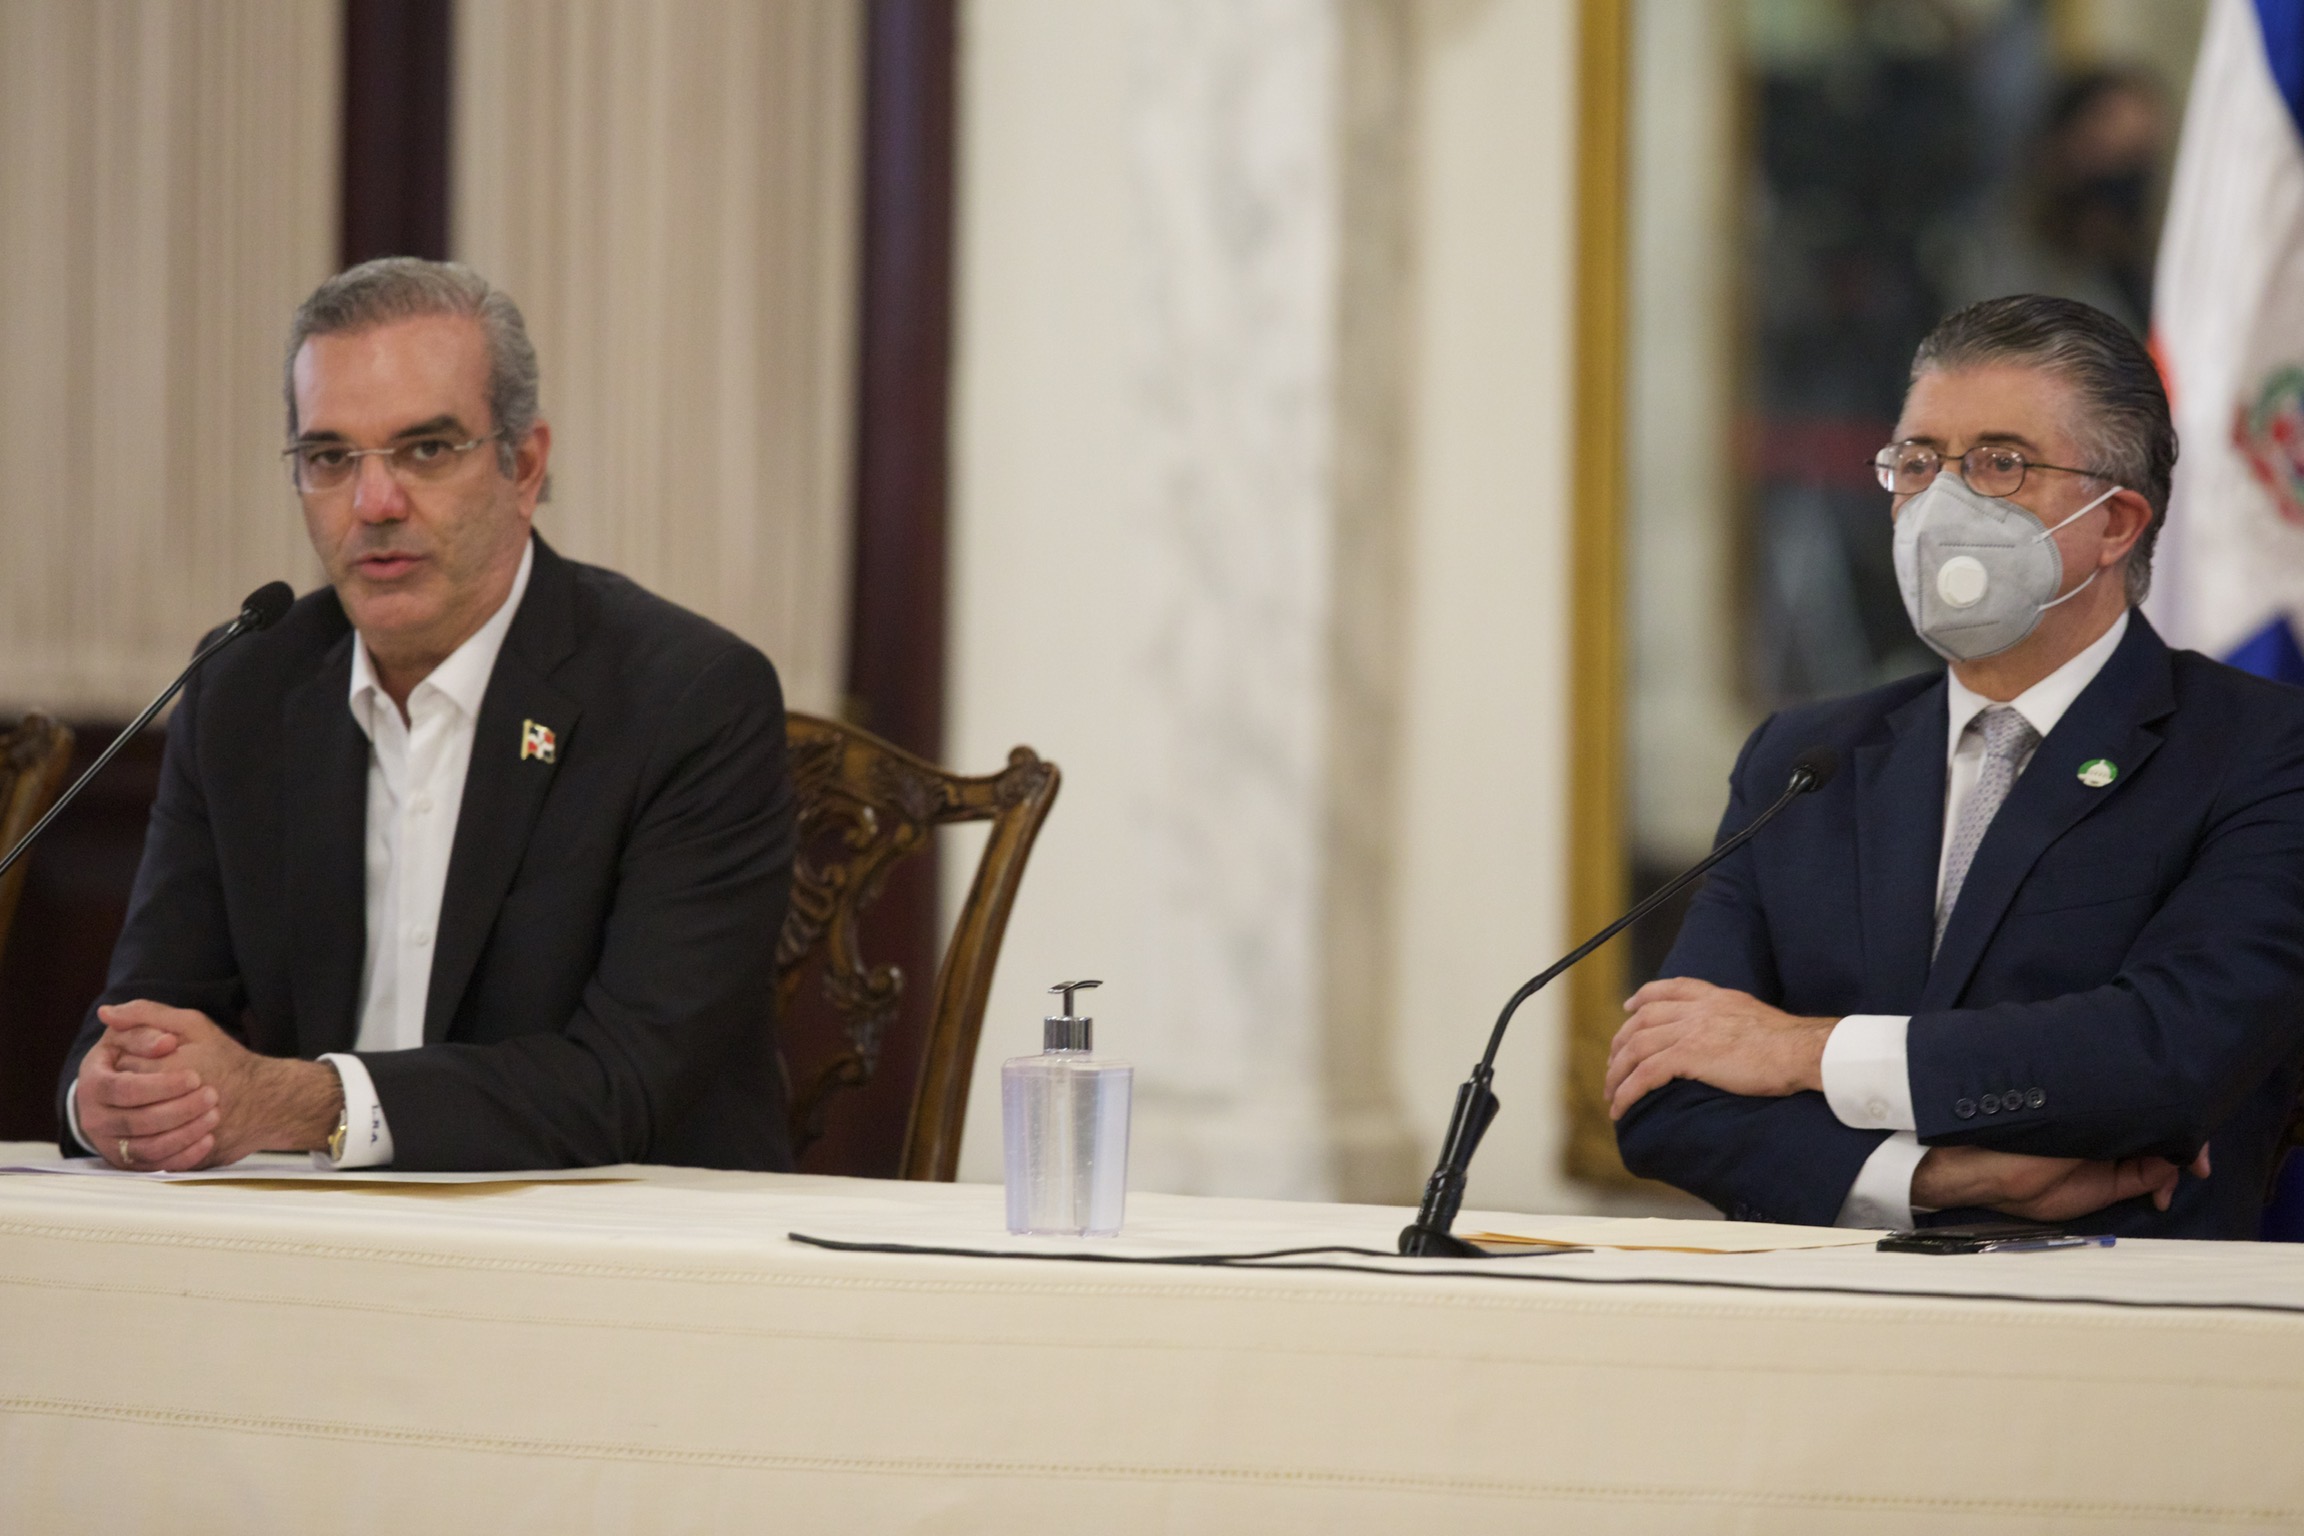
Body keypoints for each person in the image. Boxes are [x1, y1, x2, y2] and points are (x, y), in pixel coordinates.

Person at [55, 258, 796, 1172]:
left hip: (618, 1230)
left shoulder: (687, 699)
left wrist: (308, 1103)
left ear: (524, 465)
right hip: (319, 1232)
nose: (374, 504)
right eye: (331, 458)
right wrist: (113, 1093)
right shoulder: (243, 686)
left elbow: (625, 1082)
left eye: (427, 450)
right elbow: (149, 1007)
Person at [1610, 294, 2304, 1239]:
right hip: (1831, 1312)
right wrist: (1930, 1177)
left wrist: (1805, 1052)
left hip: (2131, 1307)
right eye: (1918, 462)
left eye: (1999, 463)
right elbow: (1666, 1090)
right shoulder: (1804, 761)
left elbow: (2164, 1057)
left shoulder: (2258, 748)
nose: (1941, 504)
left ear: (2115, 524)